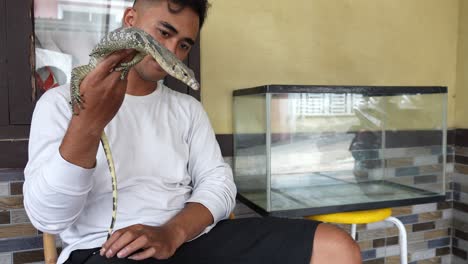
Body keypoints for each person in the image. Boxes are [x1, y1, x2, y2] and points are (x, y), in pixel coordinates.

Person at [23, 0, 362, 263]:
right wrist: (88, 122)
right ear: (131, 23)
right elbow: (48, 219)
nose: (171, 53)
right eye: (163, 33)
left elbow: (219, 184)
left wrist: (172, 233)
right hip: (105, 248)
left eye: (184, 45)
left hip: (187, 239)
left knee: (335, 247)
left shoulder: (187, 109)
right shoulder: (61, 103)